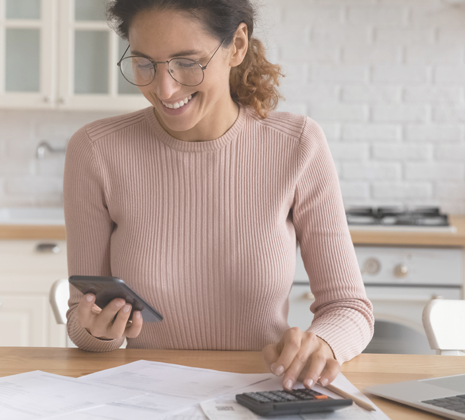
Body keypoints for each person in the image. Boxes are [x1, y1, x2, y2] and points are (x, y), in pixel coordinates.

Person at [63, 0, 373, 391]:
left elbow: (349, 308)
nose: (165, 88)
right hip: (143, 396)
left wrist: (323, 342)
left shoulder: (297, 145)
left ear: (238, 45)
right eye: (144, 63)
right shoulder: (95, 149)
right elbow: (82, 317)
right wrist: (98, 330)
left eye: (188, 62)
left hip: (260, 393)